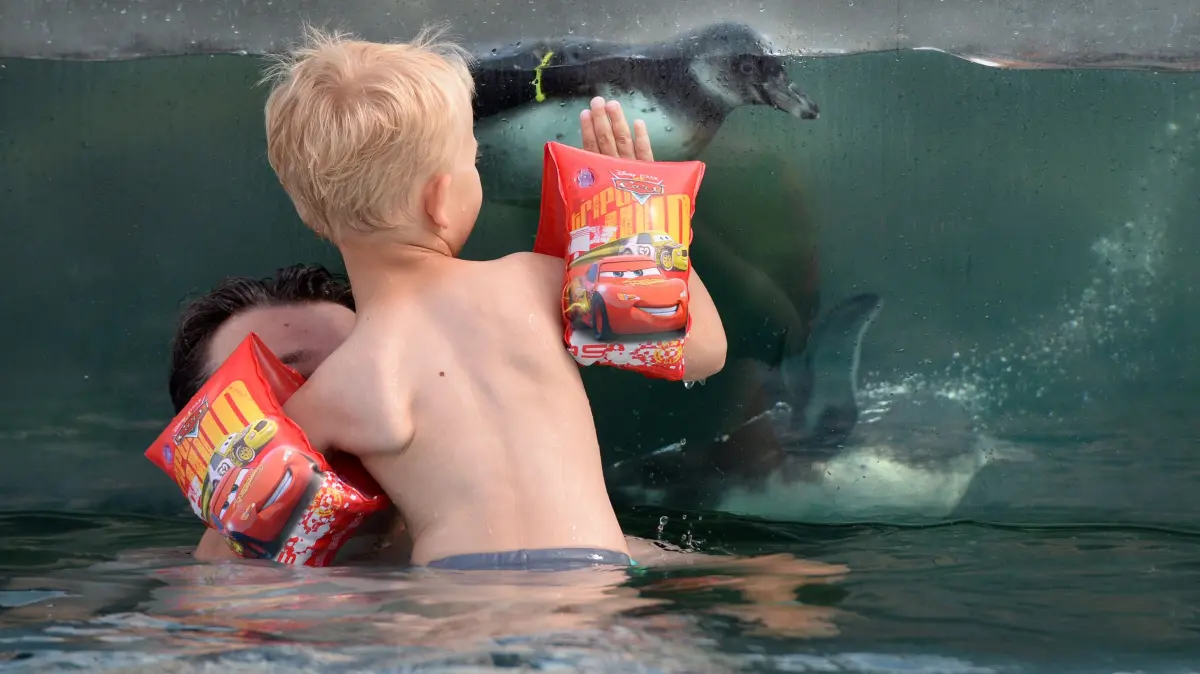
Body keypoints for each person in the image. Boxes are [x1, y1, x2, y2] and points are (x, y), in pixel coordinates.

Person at [257, 27, 726, 571]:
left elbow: (244, 538)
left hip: (457, 602)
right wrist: (637, 215)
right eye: (473, 162)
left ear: (310, 217)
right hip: (594, 581)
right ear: (440, 199)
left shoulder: (339, 390)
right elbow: (702, 352)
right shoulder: (535, 285)